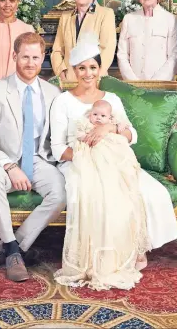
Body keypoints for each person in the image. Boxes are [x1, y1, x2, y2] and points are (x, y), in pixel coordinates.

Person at [50, 34, 177, 290]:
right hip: (78, 162)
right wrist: (89, 157)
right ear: (74, 70)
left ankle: (130, 251)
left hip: (116, 159)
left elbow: (132, 136)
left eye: (93, 67)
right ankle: (98, 259)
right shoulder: (62, 101)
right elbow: (57, 148)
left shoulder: (112, 99)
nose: (88, 74)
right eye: (82, 68)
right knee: (96, 194)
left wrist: (109, 129)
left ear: (100, 70)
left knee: (148, 190)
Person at [0, 32, 65, 282]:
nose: (30, 63)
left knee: (61, 192)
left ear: (42, 58)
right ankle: (14, 251)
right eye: (25, 57)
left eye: (35, 57)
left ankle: (8, 248)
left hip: (38, 159)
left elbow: (59, 137)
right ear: (15, 56)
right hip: (2, 160)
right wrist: (9, 165)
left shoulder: (53, 93)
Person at [54, 95, 149, 290]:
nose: (98, 118)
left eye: (102, 115)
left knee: (123, 191)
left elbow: (130, 134)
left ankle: (122, 254)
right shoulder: (69, 106)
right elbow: (70, 141)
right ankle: (88, 258)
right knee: (92, 192)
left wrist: (111, 128)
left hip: (112, 158)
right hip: (85, 158)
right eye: (95, 114)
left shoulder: (113, 107)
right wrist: (87, 140)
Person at [51, 0, 116, 81]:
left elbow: (108, 49)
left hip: (95, 81)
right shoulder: (65, 17)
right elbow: (57, 50)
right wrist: (61, 72)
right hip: (69, 81)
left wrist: (94, 76)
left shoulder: (106, 14)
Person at [117, 0, 177, 81]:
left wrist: (157, 82)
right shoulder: (129, 19)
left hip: (161, 85)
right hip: (133, 86)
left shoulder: (171, 19)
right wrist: (133, 82)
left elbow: (174, 55)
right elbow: (122, 54)